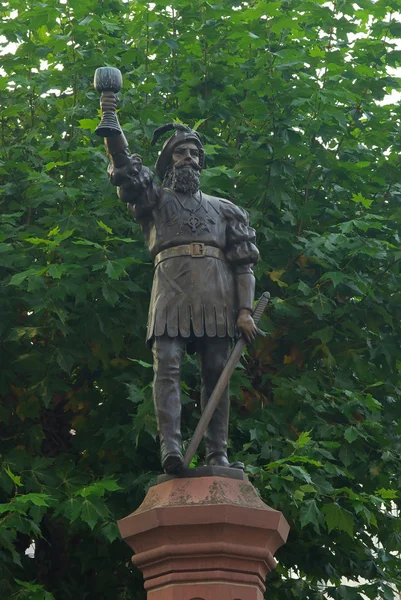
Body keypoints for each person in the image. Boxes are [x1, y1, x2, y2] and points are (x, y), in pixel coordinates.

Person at [101, 97, 259, 474]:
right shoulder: (155, 201)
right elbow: (125, 169)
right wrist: (111, 119)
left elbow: (244, 264)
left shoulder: (226, 209)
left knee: (217, 374)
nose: (188, 158)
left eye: (193, 153)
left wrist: (245, 311)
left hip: (216, 294)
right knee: (167, 366)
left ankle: (216, 453)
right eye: (180, 153)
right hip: (170, 289)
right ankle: (171, 449)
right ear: (169, 161)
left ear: (201, 162)